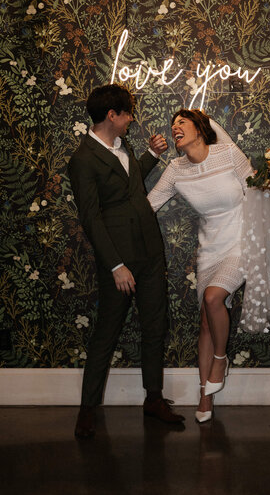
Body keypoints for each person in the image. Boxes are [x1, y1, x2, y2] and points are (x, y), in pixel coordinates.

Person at [147, 109, 270, 423]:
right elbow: (149, 205)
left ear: (200, 128)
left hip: (240, 243)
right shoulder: (175, 169)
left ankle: (220, 361)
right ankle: (204, 398)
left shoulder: (226, 153)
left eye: (182, 122)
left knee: (213, 298)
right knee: (206, 323)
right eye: (173, 125)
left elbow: (256, 188)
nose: (175, 128)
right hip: (209, 250)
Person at [68, 84, 184, 438]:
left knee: (154, 327)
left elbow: (130, 186)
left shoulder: (122, 146)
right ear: (111, 116)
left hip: (149, 251)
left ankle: (153, 399)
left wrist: (149, 154)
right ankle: (87, 408)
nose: (131, 119)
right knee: (106, 332)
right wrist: (116, 265)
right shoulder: (83, 159)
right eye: (127, 113)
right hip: (119, 261)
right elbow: (91, 218)